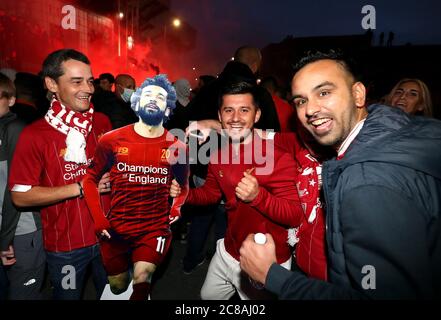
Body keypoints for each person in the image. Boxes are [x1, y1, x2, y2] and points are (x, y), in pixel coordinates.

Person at [239, 49, 441, 299]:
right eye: (301, 100)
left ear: (358, 94)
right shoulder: (386, 135)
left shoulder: (367, 182)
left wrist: (273, 276)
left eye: (324, 92)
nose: (310, 109)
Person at [171, 82, 303, 299]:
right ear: (220, 116)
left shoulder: (277, 157)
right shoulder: (217, 155)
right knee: (207, 297)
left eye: (244, 110)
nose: (235, 117)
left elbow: (295, 215)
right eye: (228, 110)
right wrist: (185, 194)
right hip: (228, 251)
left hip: (265, 260)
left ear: (257, 115)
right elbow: (211, 195)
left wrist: (258, 196)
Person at [8, 49, 112, 300]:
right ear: (51, 83)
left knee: (118, 295)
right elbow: (20, 196)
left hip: (109, 237)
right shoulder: (34, 135)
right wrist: (81, 187)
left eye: (90, 80)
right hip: (65, 247)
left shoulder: (101, 122)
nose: (87, 88)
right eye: (76, 81)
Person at [83, 74, 189, 300]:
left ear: (168, 108)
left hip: (154, 228)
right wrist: (99, 219)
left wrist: (176, 207)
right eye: (148, 95)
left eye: (160, 97)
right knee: (118, 286)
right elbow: (89, 179)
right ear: (137, 102)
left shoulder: (177, 146)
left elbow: (185, 185)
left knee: (143, 278)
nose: (153, 99)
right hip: (116, 228)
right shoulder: (111, 140)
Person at [0, 73, 45, 299]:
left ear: (11, 99)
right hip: (7, 229)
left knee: (23, 292)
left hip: (22, 229)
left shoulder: (15, 129)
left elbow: (13, 191)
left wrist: (4, 238)